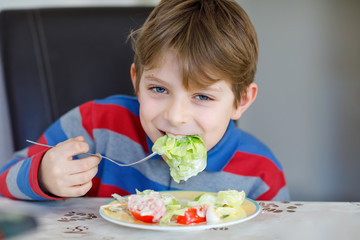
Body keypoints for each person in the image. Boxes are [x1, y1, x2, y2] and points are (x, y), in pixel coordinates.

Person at [0, 0, 289, 201]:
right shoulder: (94, 127)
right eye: (159, 90)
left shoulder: (260, 174)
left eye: (202, 96)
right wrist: (42, 176)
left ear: (241, 100)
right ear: (137, 81)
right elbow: (5, 178)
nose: (176, 117)